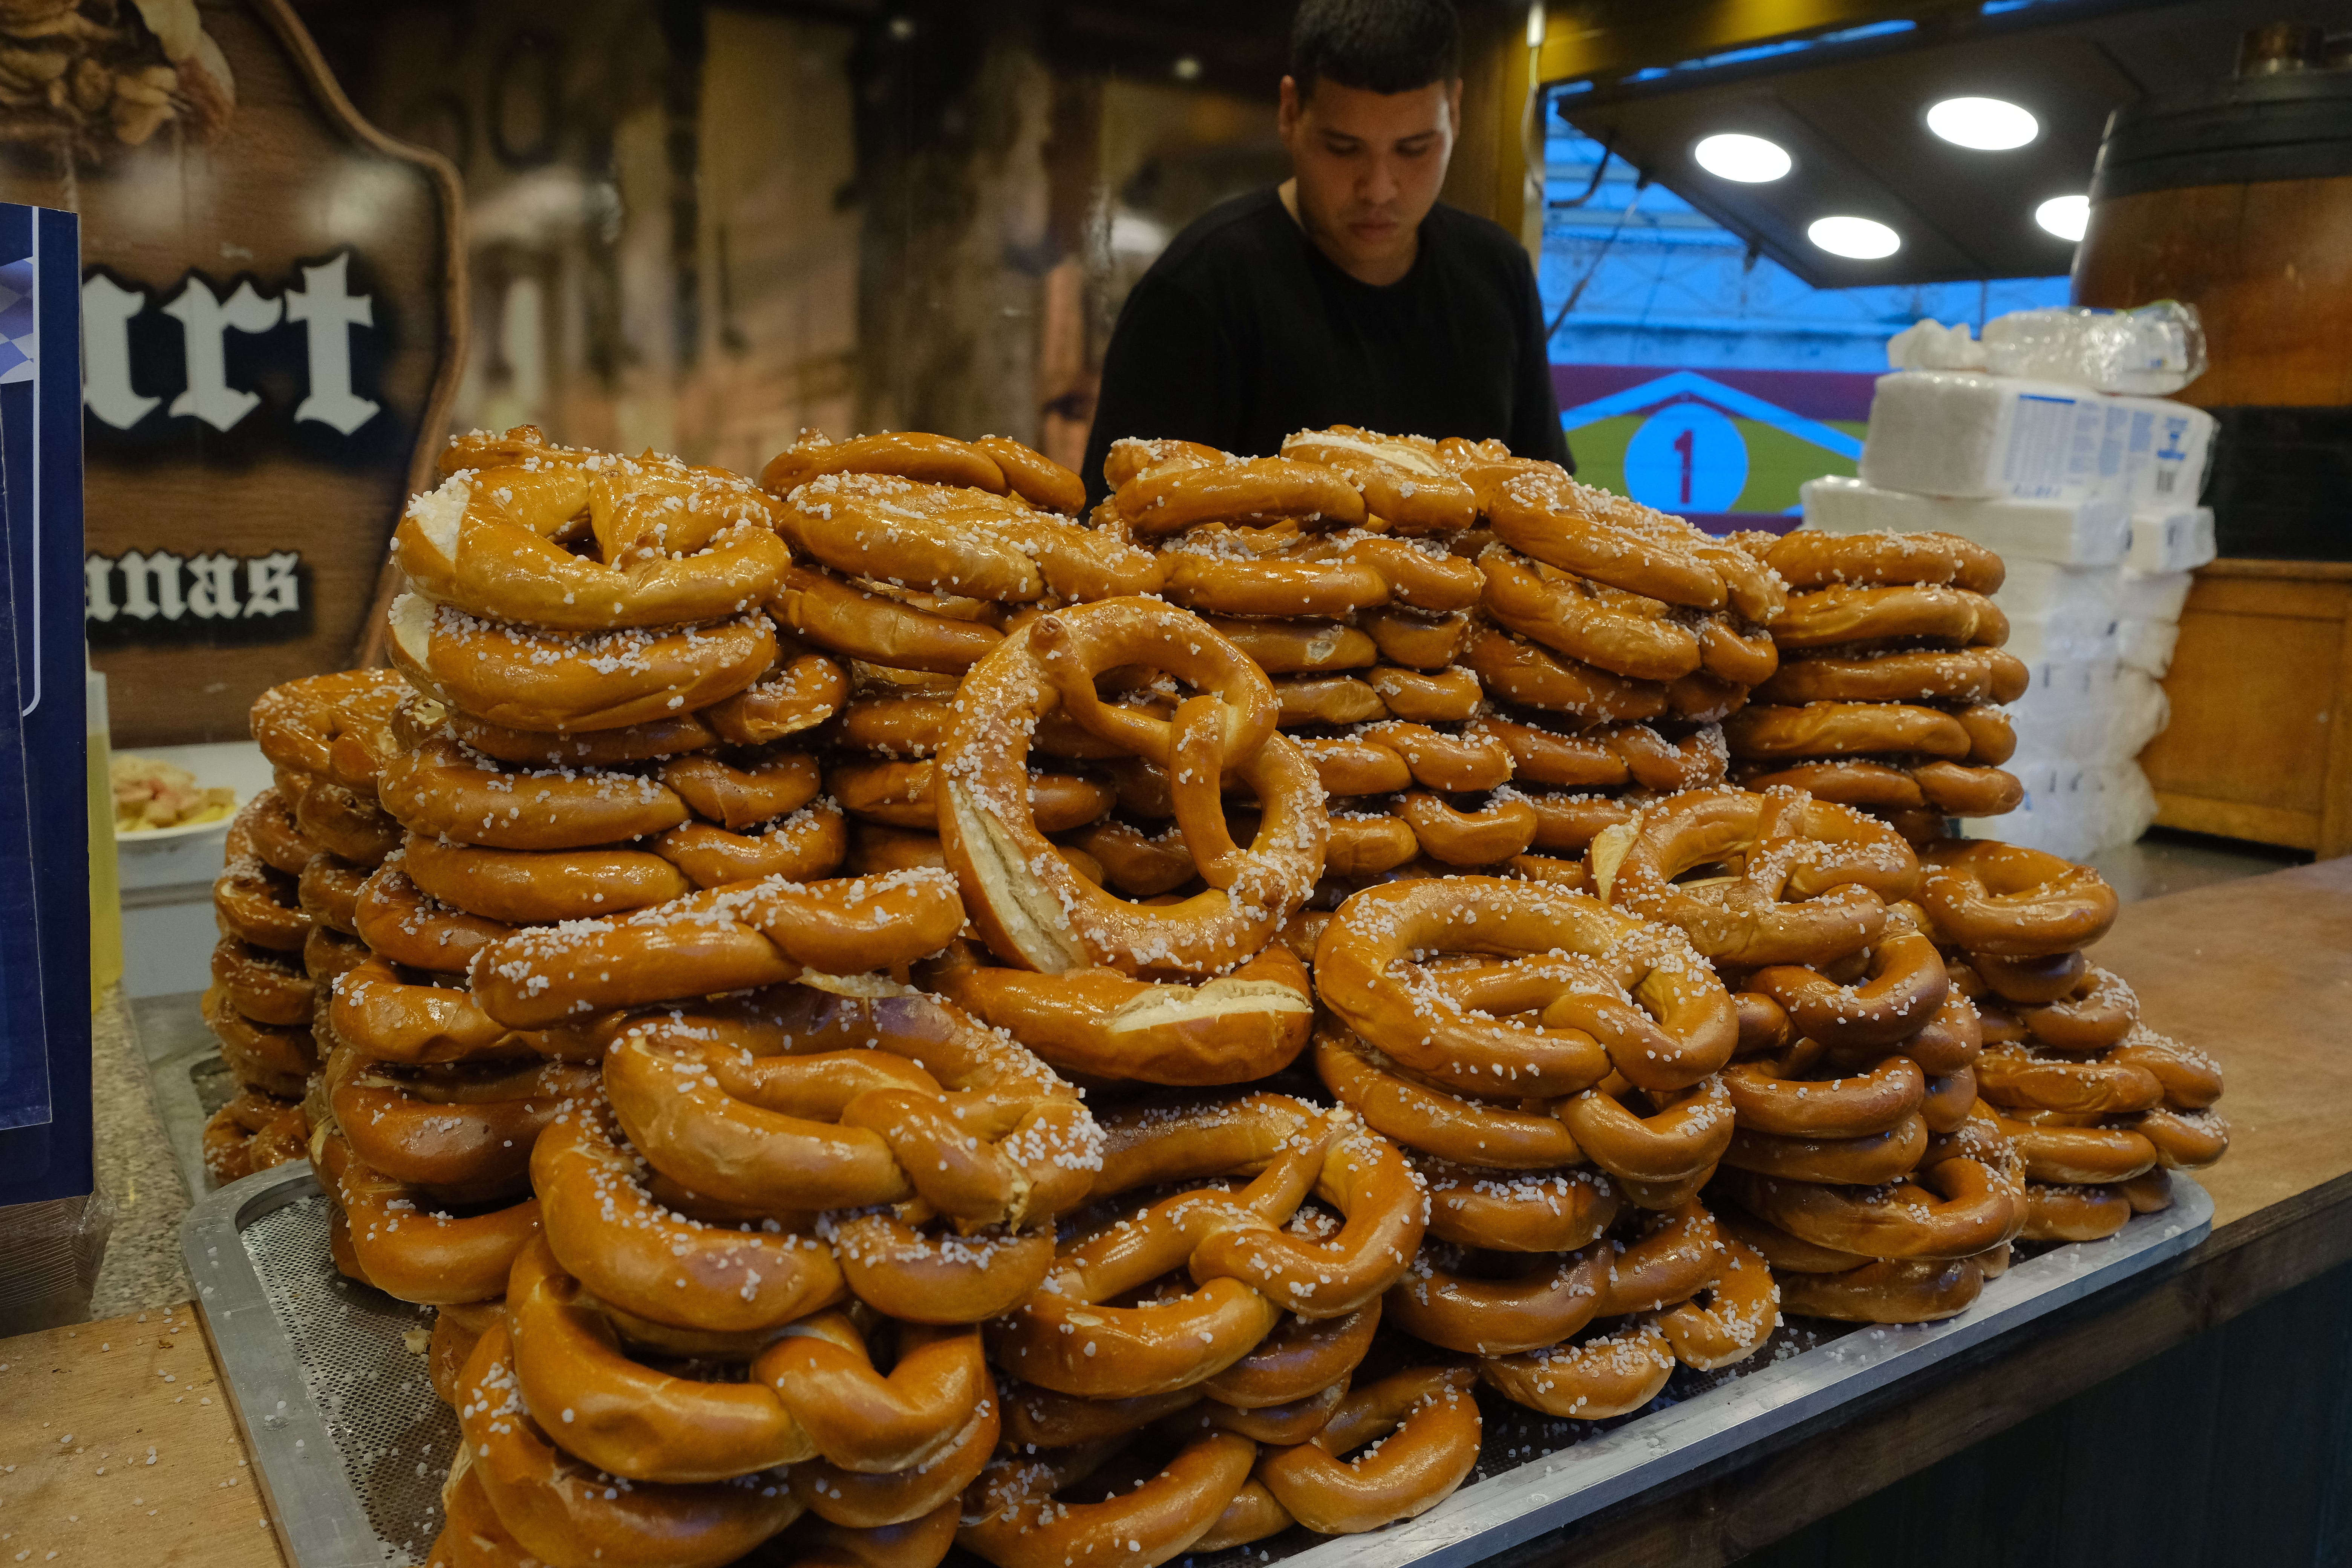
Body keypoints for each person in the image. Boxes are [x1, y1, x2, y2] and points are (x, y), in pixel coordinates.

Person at [1080, 0, 1570, 502]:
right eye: (1343, 147)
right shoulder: (1197, 290)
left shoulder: (1498, 272)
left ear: (1456, 113)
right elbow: (1119, 523)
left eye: (1414, 148)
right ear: (1290, 113)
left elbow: (1549, 501)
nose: (1379, 189)